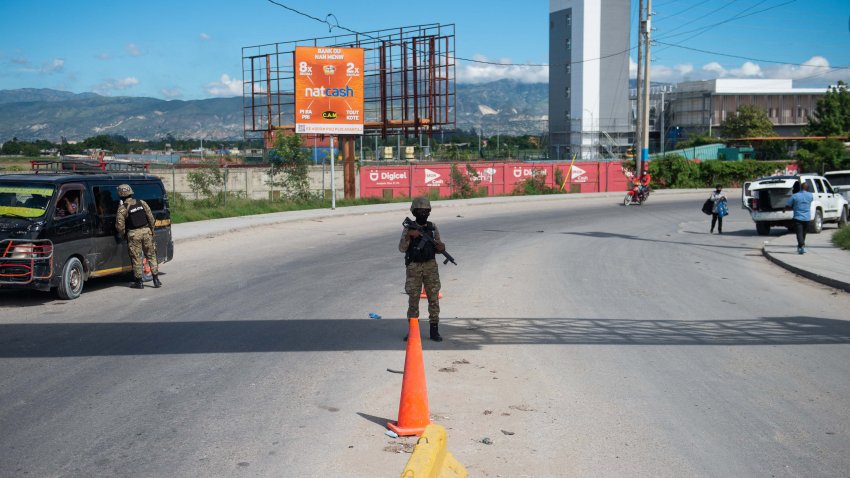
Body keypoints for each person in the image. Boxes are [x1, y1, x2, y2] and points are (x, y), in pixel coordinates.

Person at [399, 196, 446, 342]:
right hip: (414, 267)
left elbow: (437, 246)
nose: (423, 214)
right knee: (413, 299)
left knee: (433, 299)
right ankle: (413, 330)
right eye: (420, 211)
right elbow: (402, 248)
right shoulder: (408, 228)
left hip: (430, 266)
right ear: (414, 212)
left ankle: (434, 330)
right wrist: (409, 235)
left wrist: (441, 248)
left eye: (426, 211)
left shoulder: (432, 227)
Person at [115, 184, 161, 288]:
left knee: (136, 258)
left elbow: (120, 226)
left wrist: (123, 235)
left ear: (121, 196)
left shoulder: (122, 208)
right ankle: (156, 280)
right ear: (131, 193)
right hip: (146, 232)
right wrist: (152, 231)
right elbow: (151, 218)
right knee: (151, 255)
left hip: (133, 234)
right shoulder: (142, 202)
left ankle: (139, 282)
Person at [785, 182, 813, 254]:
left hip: (798, 217)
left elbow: (788, 205)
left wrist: (785, 209)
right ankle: (801, 247)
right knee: (804, 233)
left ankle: (801, 245)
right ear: (808, 188)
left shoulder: (795, 196)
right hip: (807, 218)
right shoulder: (810, 195)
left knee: (799, 234)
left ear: (800, 187)